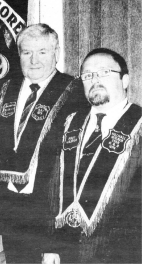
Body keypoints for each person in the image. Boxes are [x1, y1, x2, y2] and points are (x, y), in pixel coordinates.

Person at [0, 23, 87, 263]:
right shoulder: (4, 90)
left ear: (56, 53)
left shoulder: (76, 92)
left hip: (50, 210)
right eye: (27, 52)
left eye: (42, 52)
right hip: (11, 209)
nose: (34, 60)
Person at [50, 48, 142, 263]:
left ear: (125, 80)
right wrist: (51, 245)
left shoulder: (138, 124)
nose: (95, 79)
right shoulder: (69, 123)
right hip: (67, 251)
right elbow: (54, 190)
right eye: (88, 75)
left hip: (122, 253)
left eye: (103, 72)